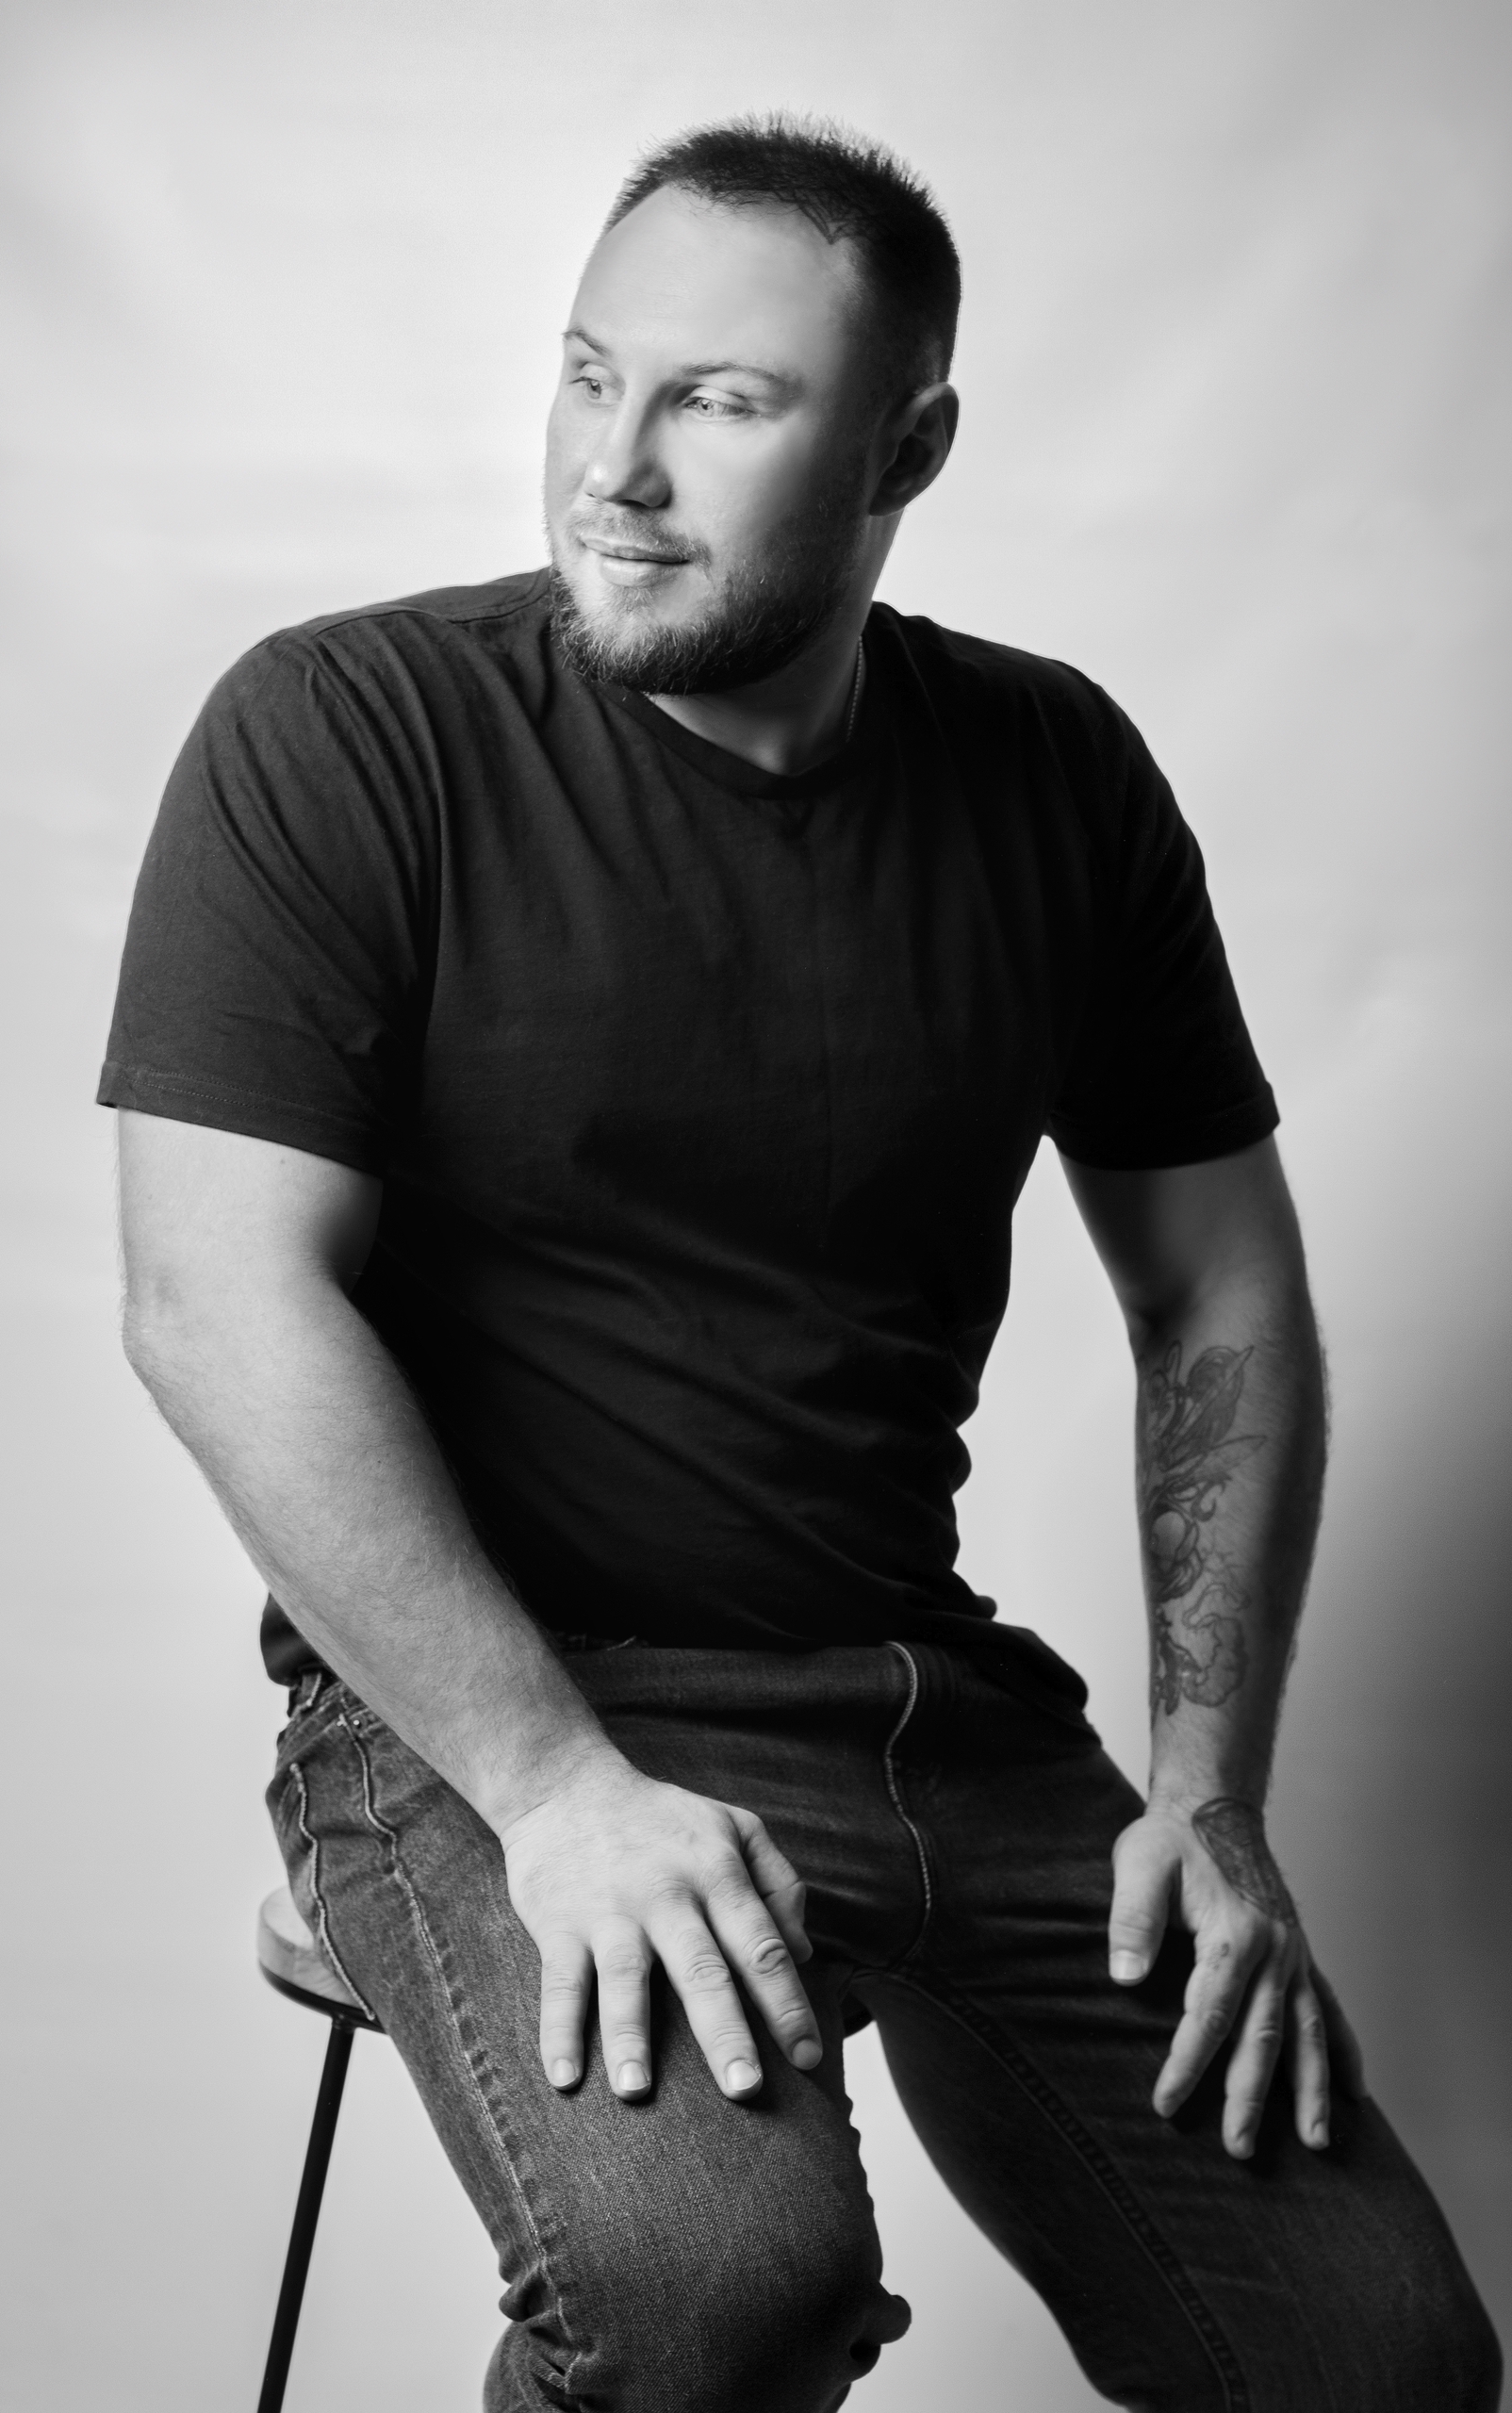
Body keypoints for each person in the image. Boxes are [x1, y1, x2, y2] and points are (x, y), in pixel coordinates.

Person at [101, 117, 1500, 2411]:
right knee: (718, 2289)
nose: (614, 467)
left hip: (935, 1705)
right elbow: (212, 1297)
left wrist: (1206, 1783)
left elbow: (1217, 1289)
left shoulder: (1052, 773)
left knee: (1375, 2362)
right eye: (587, 374)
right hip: (501, 1711)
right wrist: (550, 1784)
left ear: (905, 449)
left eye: (718, 401)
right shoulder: (347, 730)